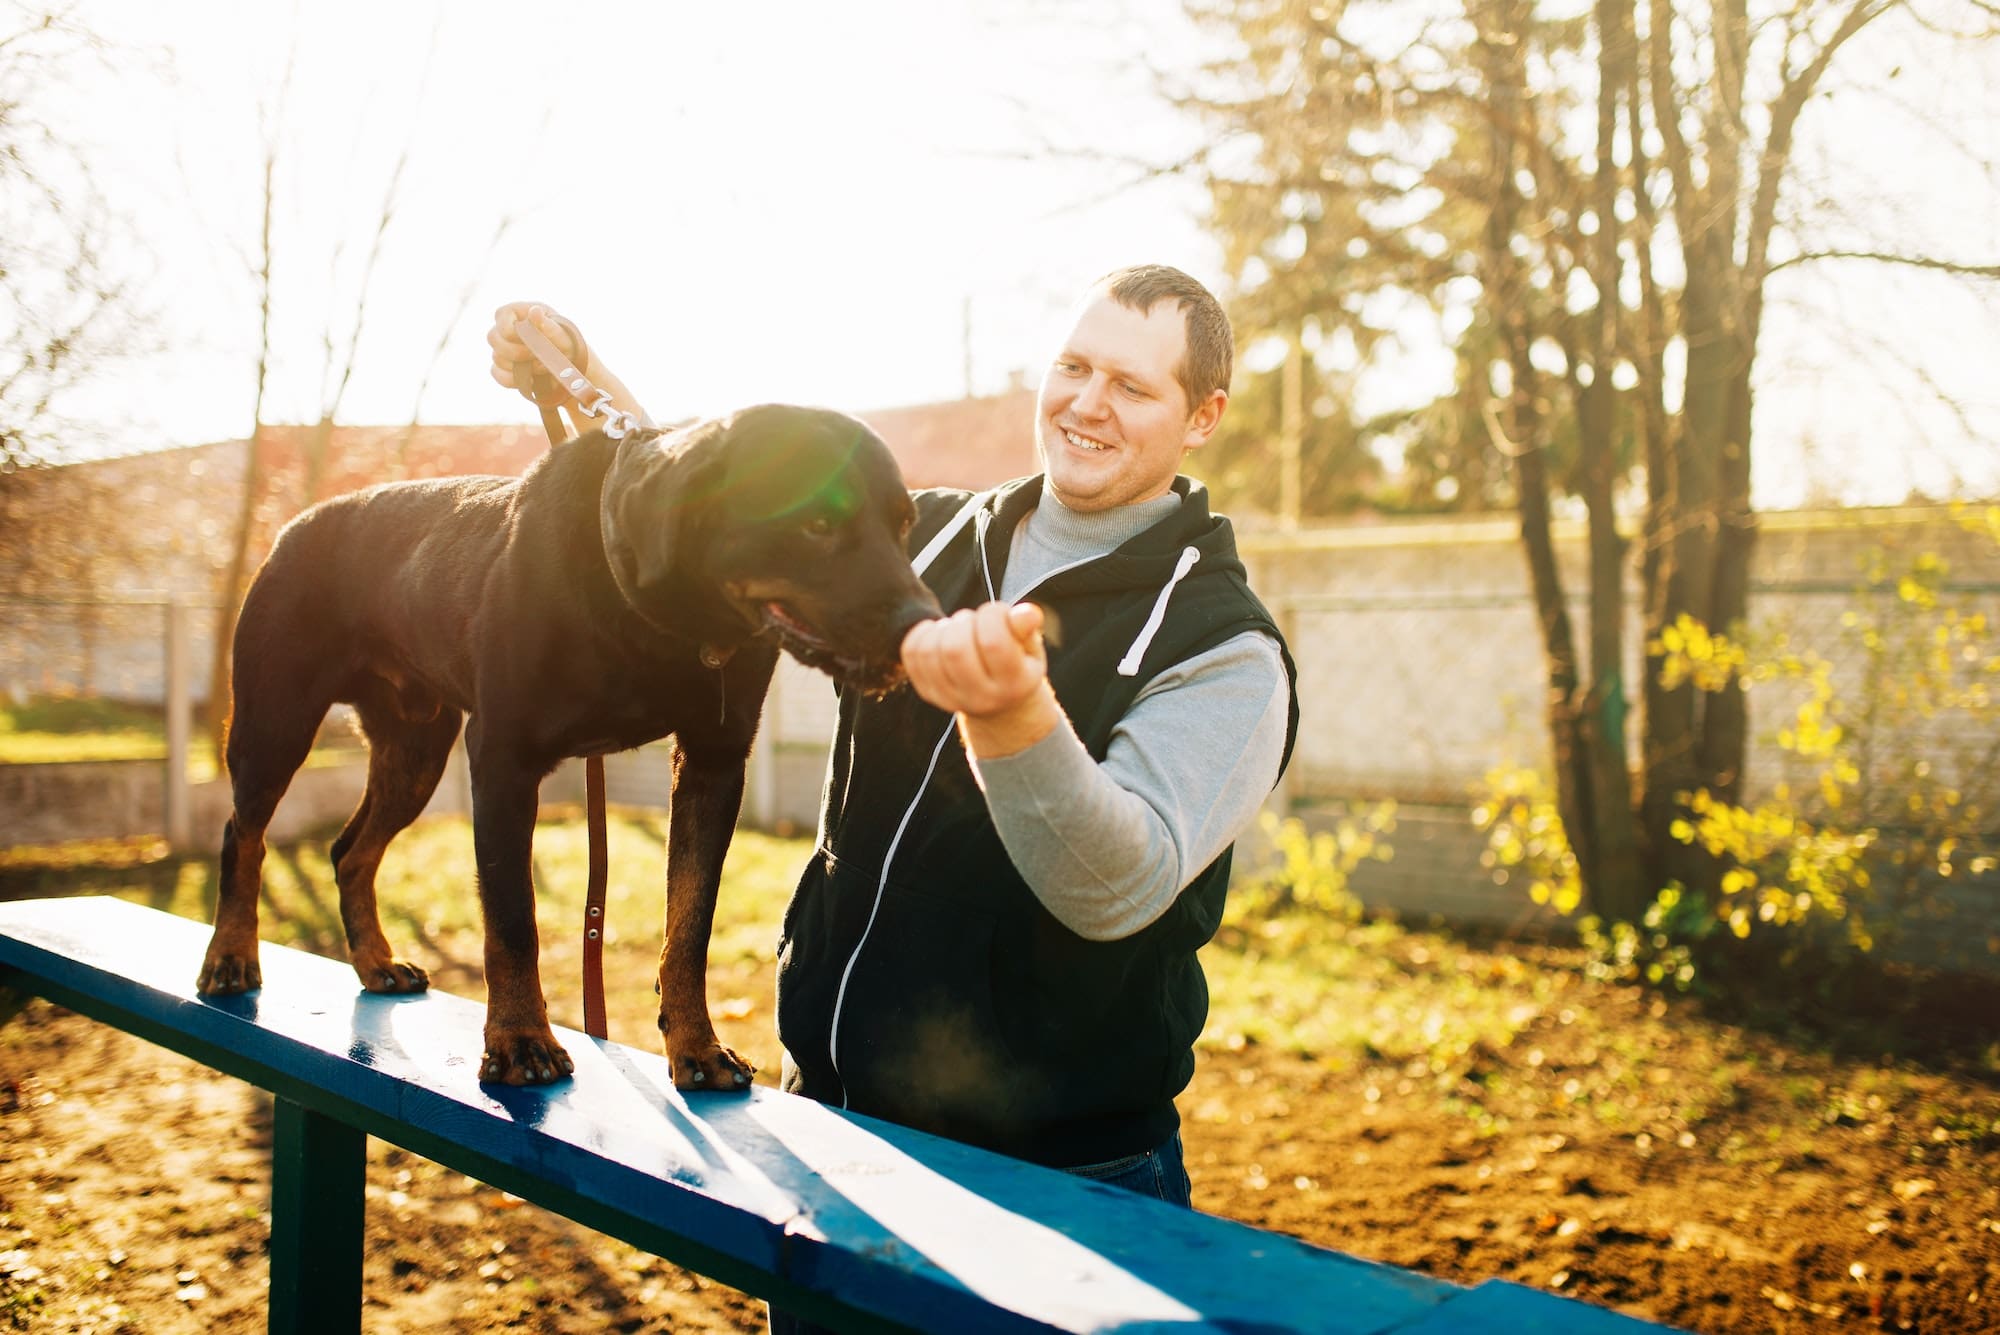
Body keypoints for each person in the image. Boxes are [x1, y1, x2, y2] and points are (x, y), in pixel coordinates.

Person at [486, 266, 1297, 1217]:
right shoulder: (933, 534)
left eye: (1132, 385)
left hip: (1064, 1179)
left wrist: (1009, 718)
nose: (1087, 402)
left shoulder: (1224, 647)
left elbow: (1115, 887)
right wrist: (584, 373)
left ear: (1203, 417)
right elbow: (723, 494)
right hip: (830, 1125)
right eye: (1074, 365)